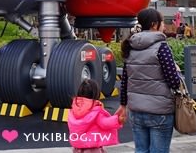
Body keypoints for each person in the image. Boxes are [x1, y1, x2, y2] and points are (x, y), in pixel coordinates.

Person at [118, 8, 179, 153]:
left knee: (141, 150)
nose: (164, 26)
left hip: (136, 111)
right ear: (154, 24)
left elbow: (125, 80)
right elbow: (174, 81)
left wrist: (123, 104)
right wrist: (176, 70)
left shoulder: (130, 46)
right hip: (160, 111)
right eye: (162, 22)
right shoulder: (161, 47)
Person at [68, 79, 123, 153]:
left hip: (77, 148)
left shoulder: (74, 109)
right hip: (92, 148)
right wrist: (118, 119)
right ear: (96, 94)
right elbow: (105, 123)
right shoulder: (95, 110)